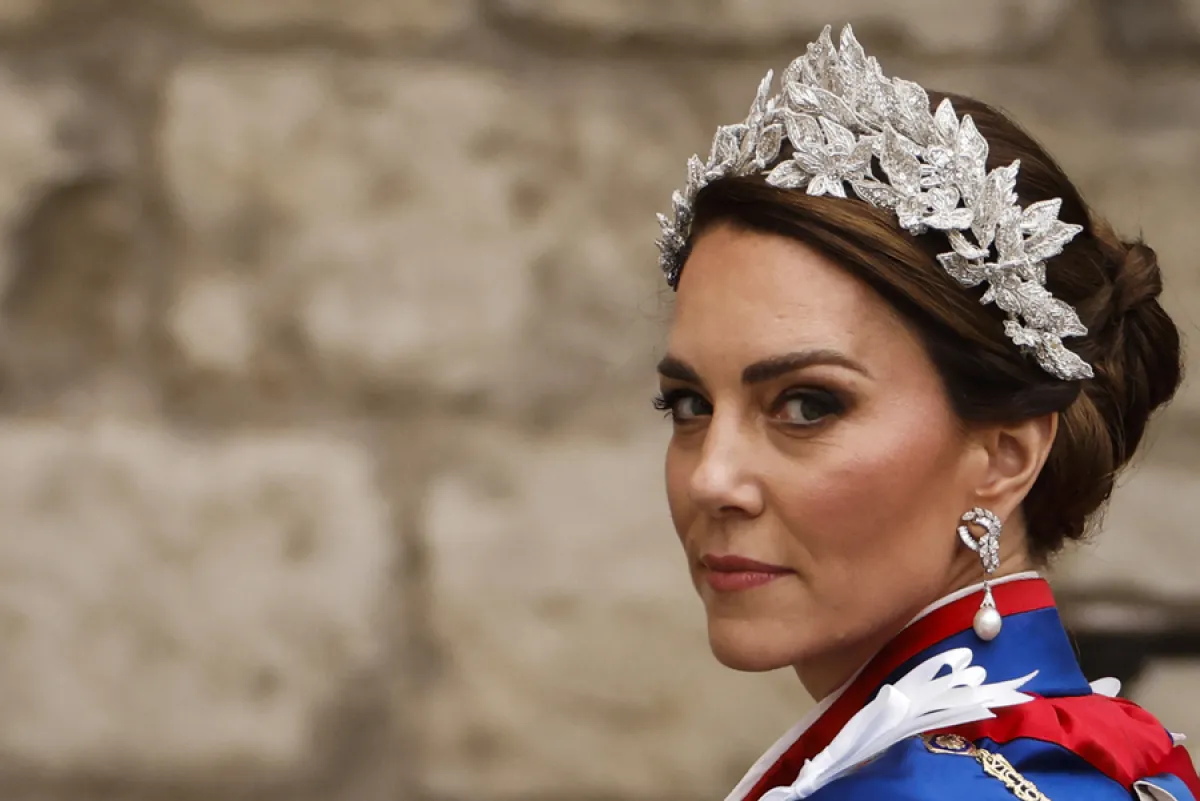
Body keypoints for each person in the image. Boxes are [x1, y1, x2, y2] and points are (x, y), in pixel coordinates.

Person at [652, 24, 1197, 801]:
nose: (712, 478)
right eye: (690, 403)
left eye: (806, 404)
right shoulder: (1096, 760)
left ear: (1005, 455)